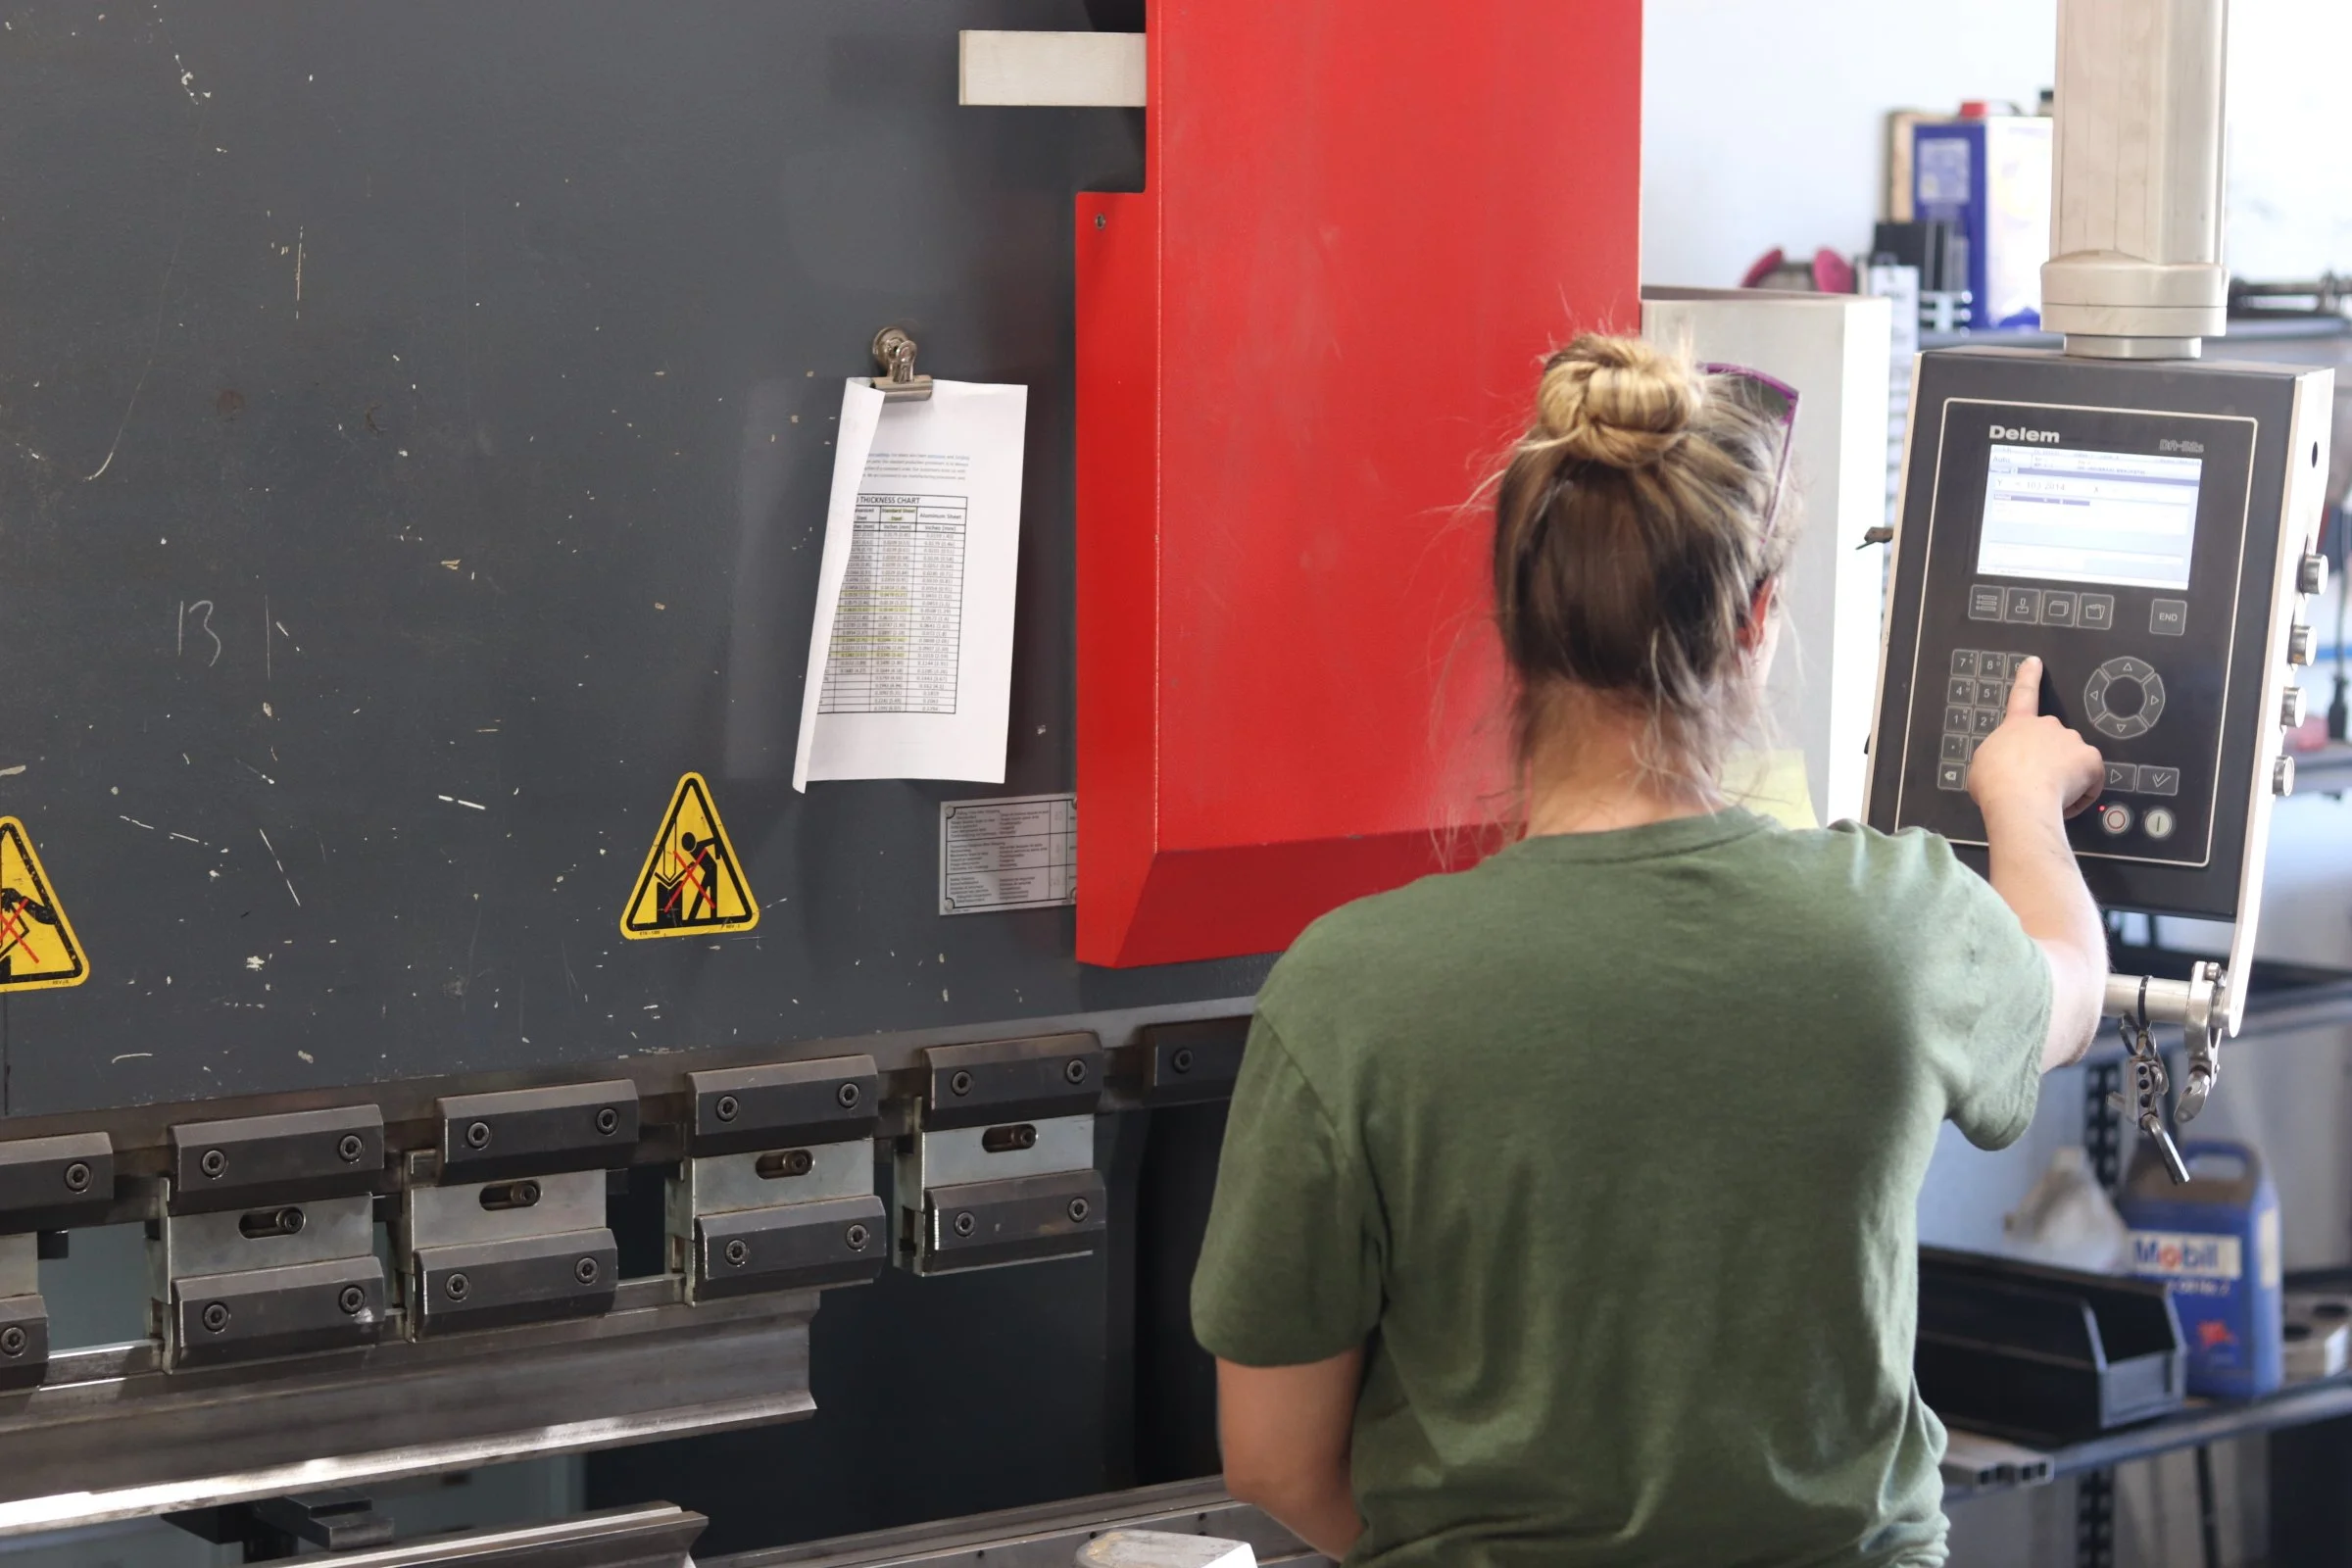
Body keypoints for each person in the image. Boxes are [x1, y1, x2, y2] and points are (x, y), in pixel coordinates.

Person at [1189, 334, 2108, 1567]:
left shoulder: (1348, 991)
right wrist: (2025, 797)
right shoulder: (1898, 924)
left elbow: (1274, 1458)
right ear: (1758, 620)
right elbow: (2071, 980)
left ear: (1514, 621)